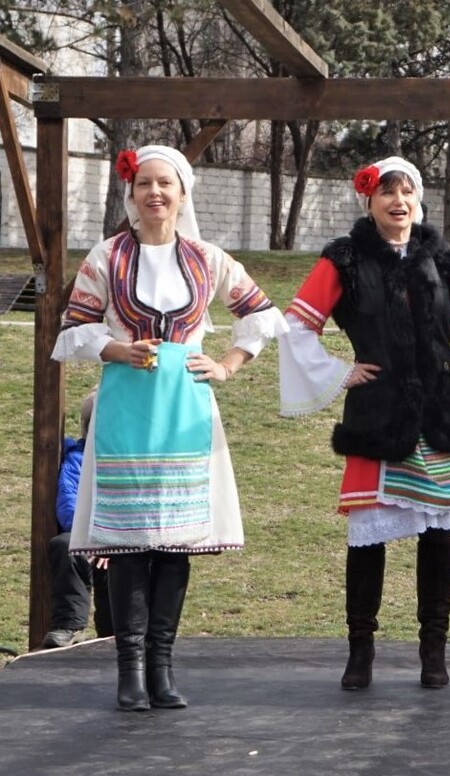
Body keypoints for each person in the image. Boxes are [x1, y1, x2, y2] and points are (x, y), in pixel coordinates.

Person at [277, 156, 450, 691]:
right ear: (369, 201)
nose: (398, 203)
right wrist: (339, 371)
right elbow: (296, 324)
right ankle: (360, 654)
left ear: (419, 200)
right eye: (387, 194)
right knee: (367, 540)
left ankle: (433, 653)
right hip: (378, 414)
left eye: (408, 193)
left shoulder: (440, 258)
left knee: (439, 536)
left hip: (439, 414)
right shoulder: (344, 259)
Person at [53, 144, 287, 711]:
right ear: (132, 195)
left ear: (183, 194)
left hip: (185, 409)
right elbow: (74, 326)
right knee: (131, 545)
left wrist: (228, 363)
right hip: (127, 409)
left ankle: (162, 667)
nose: (155, 193)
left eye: (166, 184)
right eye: (145, 185)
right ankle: (129, 670)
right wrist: (115, 347)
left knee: (175, 544)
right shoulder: (107, 257)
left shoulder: (208, 259)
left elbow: (260, 314)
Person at [42, 390, 112, 649]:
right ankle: (69, 625)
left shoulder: (132, 459)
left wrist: (111, 540)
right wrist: (93, 539)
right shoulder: (77, 460)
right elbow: (67, 503)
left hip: (122, 535)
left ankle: (115, 632)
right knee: (65, 546)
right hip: (85, 534)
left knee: (129, 559)